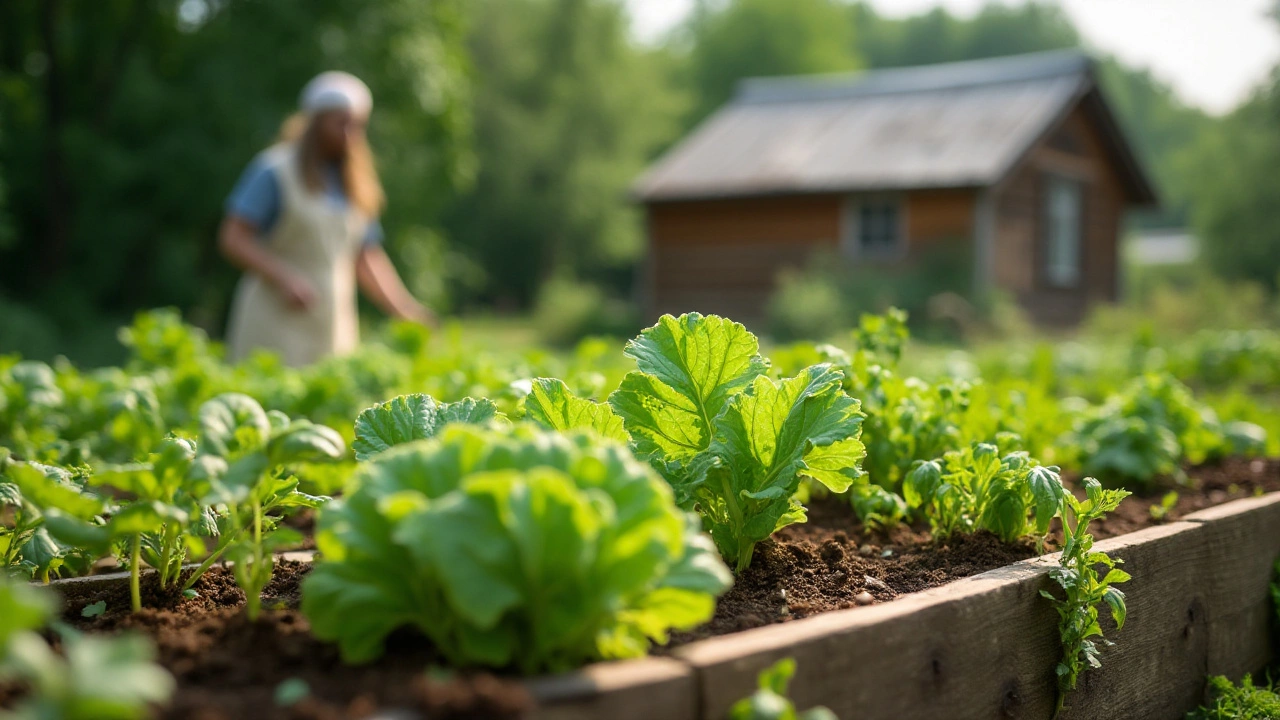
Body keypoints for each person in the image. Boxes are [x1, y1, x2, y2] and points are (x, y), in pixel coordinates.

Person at [218, 71, 433, 367]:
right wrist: (284, 278)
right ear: (315, 122)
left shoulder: (354, 185)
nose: (350, 135)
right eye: (341, 124)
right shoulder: (274, 171)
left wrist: (404, 308)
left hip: (333, 319)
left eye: (357, 126)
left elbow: (365, 255)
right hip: (273, 316)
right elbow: (233, 238)